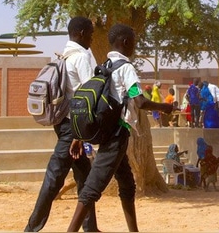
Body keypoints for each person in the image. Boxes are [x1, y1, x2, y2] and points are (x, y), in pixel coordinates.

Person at [66, 23, 173, 232]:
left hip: (107, 130)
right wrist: (165, 107)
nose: (134, 46)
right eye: (133, 42)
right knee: (92, 188)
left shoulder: (105, 65)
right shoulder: (126, 68)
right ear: (125, 42)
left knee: (127, 184)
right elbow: (140, 102)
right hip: (117, 134)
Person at [25, 16, 99, 232]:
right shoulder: (82, 57)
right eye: (91, 35)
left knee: (85, 175)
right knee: (54, 176)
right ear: (82, 34)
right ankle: (32, 227)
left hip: (63, 122)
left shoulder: (63, 56)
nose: (93, 39)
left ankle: (90, 226)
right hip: (72, 127)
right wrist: (81, 133)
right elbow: (88, 95)